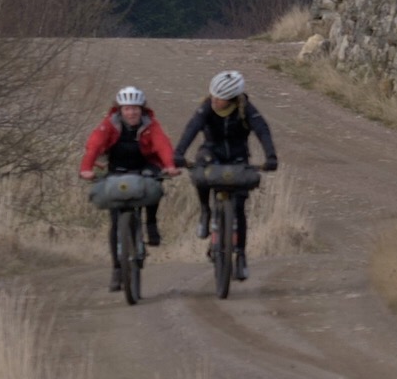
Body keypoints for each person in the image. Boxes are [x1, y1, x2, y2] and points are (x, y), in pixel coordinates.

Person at [174, 70, 279, 281]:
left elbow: (262, 130)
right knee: (200, 174)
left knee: (239, 208)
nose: (214, 99)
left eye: (219, 97)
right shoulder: (206, 107)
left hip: (238, 158)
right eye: (212, 95)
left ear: (231, 98)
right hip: (211, 153)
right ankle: (205, 211)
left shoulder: (245, 109)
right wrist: (178, 153)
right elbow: (191, 128)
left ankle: (240, 254)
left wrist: (271, 156)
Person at [81, 86, 176, 291]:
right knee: (115, 222)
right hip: (117, 169)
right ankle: (117, 269)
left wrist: (169, 165)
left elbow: (162, 145)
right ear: (119, 110)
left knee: (155, 185)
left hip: (144, 167)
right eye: (127, 109)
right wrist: (86, 168)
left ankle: (151, 224)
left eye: (135, 108)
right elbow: (94, 145)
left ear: (142, 109)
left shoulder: (151, 125)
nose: (131, 113)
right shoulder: (109, 125)